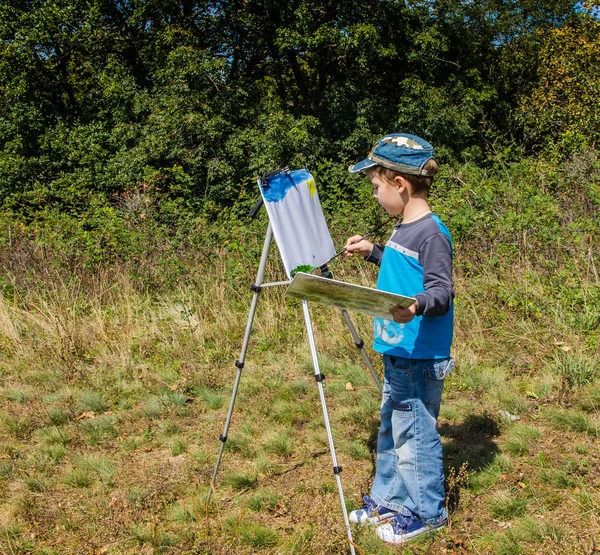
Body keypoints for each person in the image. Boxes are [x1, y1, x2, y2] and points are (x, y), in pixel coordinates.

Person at [344, 133, 454, 544]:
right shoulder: (404, 227)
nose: (375, 195)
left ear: (399, 184)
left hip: (419, 352)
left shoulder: (431, 233)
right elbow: (401, 266)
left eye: (376, 186)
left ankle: (426, 512)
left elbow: (441, 291)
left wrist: (416, 306)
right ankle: (388, 500)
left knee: (415, 433)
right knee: (392, 427)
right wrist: (373, 250)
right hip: (398, 350)